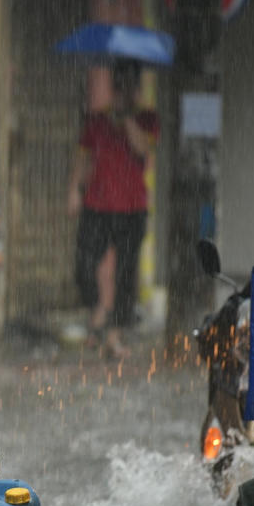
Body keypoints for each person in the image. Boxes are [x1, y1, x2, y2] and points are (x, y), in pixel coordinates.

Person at [67, 59, 158, 359]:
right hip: (98, 204)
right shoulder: (96, 120)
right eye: (120, 88)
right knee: (84, 262)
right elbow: (83, 157)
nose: (124, 93)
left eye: (130, 88)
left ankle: (115, 335)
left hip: (132, 208)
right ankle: (99, 312)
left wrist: (128, 118)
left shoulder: (146, 118)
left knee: (125, 273)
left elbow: (144, 149)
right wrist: (74, 191)